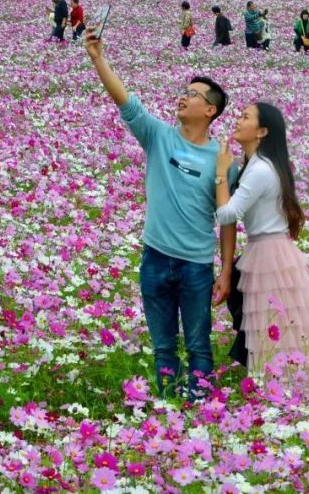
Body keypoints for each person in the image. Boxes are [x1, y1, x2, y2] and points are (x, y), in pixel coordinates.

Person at [84, 28, 233, 396]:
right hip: (155, 258)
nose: (183, 98)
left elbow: (229, 219)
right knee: (163, 345)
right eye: (184, 92)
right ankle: (169, 405)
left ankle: (200, 406)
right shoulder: (159, 136)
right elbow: (126, 102)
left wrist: (226, 271)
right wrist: (98, 57)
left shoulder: (223, 160)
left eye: (193, 95)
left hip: (196, 264)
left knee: (199, 344)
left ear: (210, 110)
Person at [213, 103, 309, 374]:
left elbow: (227, 214)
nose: (238, 121)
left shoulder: (260, 169)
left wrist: (220, 173)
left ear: (262, 131)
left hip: (267, 253)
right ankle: (276, 393)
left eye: (245, 117)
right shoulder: (261, 165)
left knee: (270, 328)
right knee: (275, 328)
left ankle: (274, 391)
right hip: (271, 249)